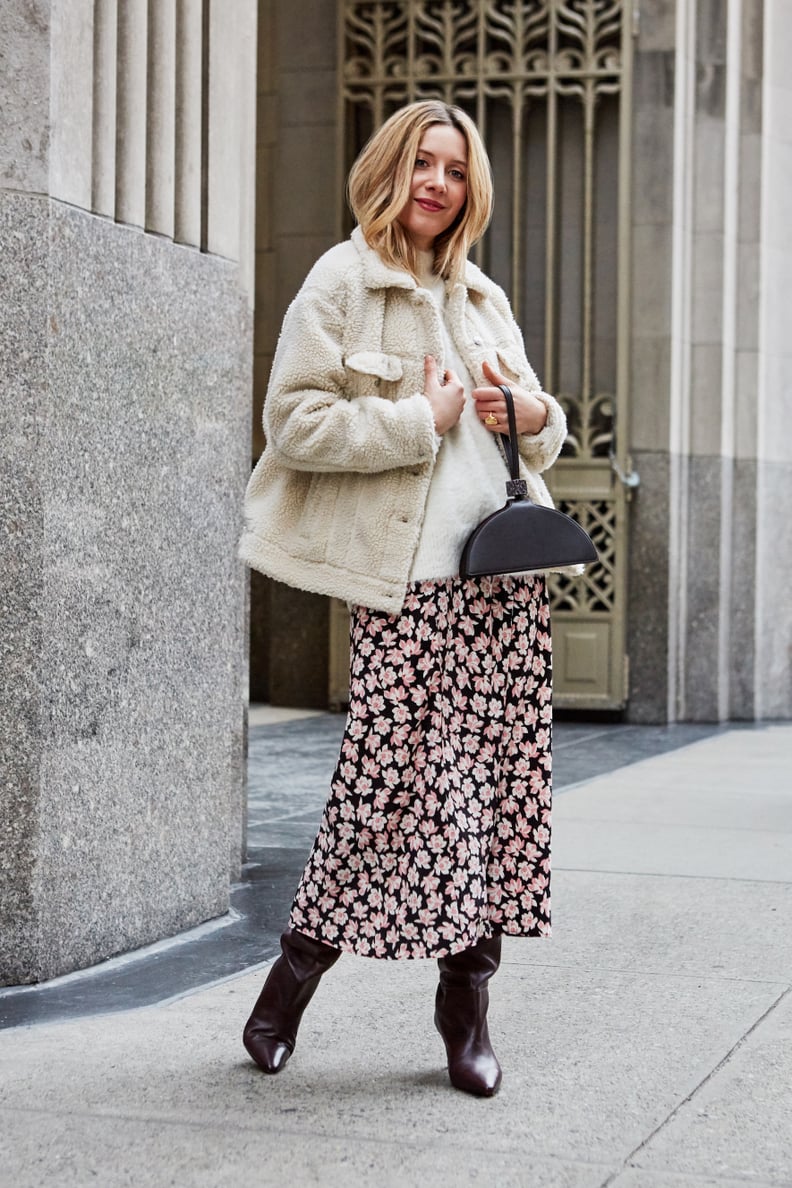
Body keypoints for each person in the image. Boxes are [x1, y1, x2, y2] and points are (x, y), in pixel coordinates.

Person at [238, 100, 567, 1097]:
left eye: (455, 170)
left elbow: (538, 436)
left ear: (472, 191)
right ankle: (290, 981)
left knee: (493, 801)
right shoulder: (344, 281)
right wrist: (412, 420)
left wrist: (534, 411)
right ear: (389, 169)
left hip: (504, 589)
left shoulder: (483, 297)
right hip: (409, 588)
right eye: (422, 163)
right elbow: (293, 422)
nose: (436, 183)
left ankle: (465, 1010)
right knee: (381, 798)